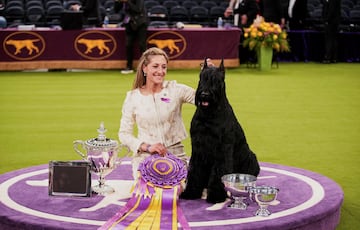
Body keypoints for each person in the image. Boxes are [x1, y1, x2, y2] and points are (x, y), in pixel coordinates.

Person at [118, 47, 196, 179]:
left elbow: (207, 99)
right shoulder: (132, 97)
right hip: (145, 158)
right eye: (155, 66)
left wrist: (209, 73)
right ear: (144, 68)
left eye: (164, 67)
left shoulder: (176, 90)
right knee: (148, 193)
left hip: (176, 156)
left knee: (174, 193)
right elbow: (124, 134)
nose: (160, 71)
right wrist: (147, 147)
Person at [114, 0, 148, 74]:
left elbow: (138, 9)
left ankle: (145, 66)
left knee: (142, 45)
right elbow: (116, 10)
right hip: (129, 24)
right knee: (128, 45)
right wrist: (117, 2)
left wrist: (127, 1)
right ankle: (129, 66)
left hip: (141, 23)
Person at [224, 0, 259, 64]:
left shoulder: (250, 1)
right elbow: (239, 10)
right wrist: (230, 12)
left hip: (250, 25)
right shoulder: (242, 1)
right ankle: (242, 59)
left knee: (246, 41)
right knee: (241, 41)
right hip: (242, 25)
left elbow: (256, 9)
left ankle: (250, 58)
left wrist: (247, 16)